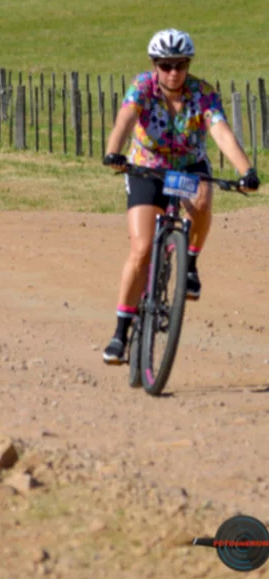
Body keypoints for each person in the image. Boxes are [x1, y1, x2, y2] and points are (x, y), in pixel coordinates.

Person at [100, 29, 259, 364]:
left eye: (181, 64)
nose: (173, 72)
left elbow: (221, 132)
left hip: (188, 166)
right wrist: (114, 151)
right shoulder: (142, 86)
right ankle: (120, 331)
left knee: (202, 201)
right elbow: (126, 117)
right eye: (166, 64)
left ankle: (190, 263)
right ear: (154, 64)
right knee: (141, 249)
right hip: (147, 167)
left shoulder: (203, 93)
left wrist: (247, 171)